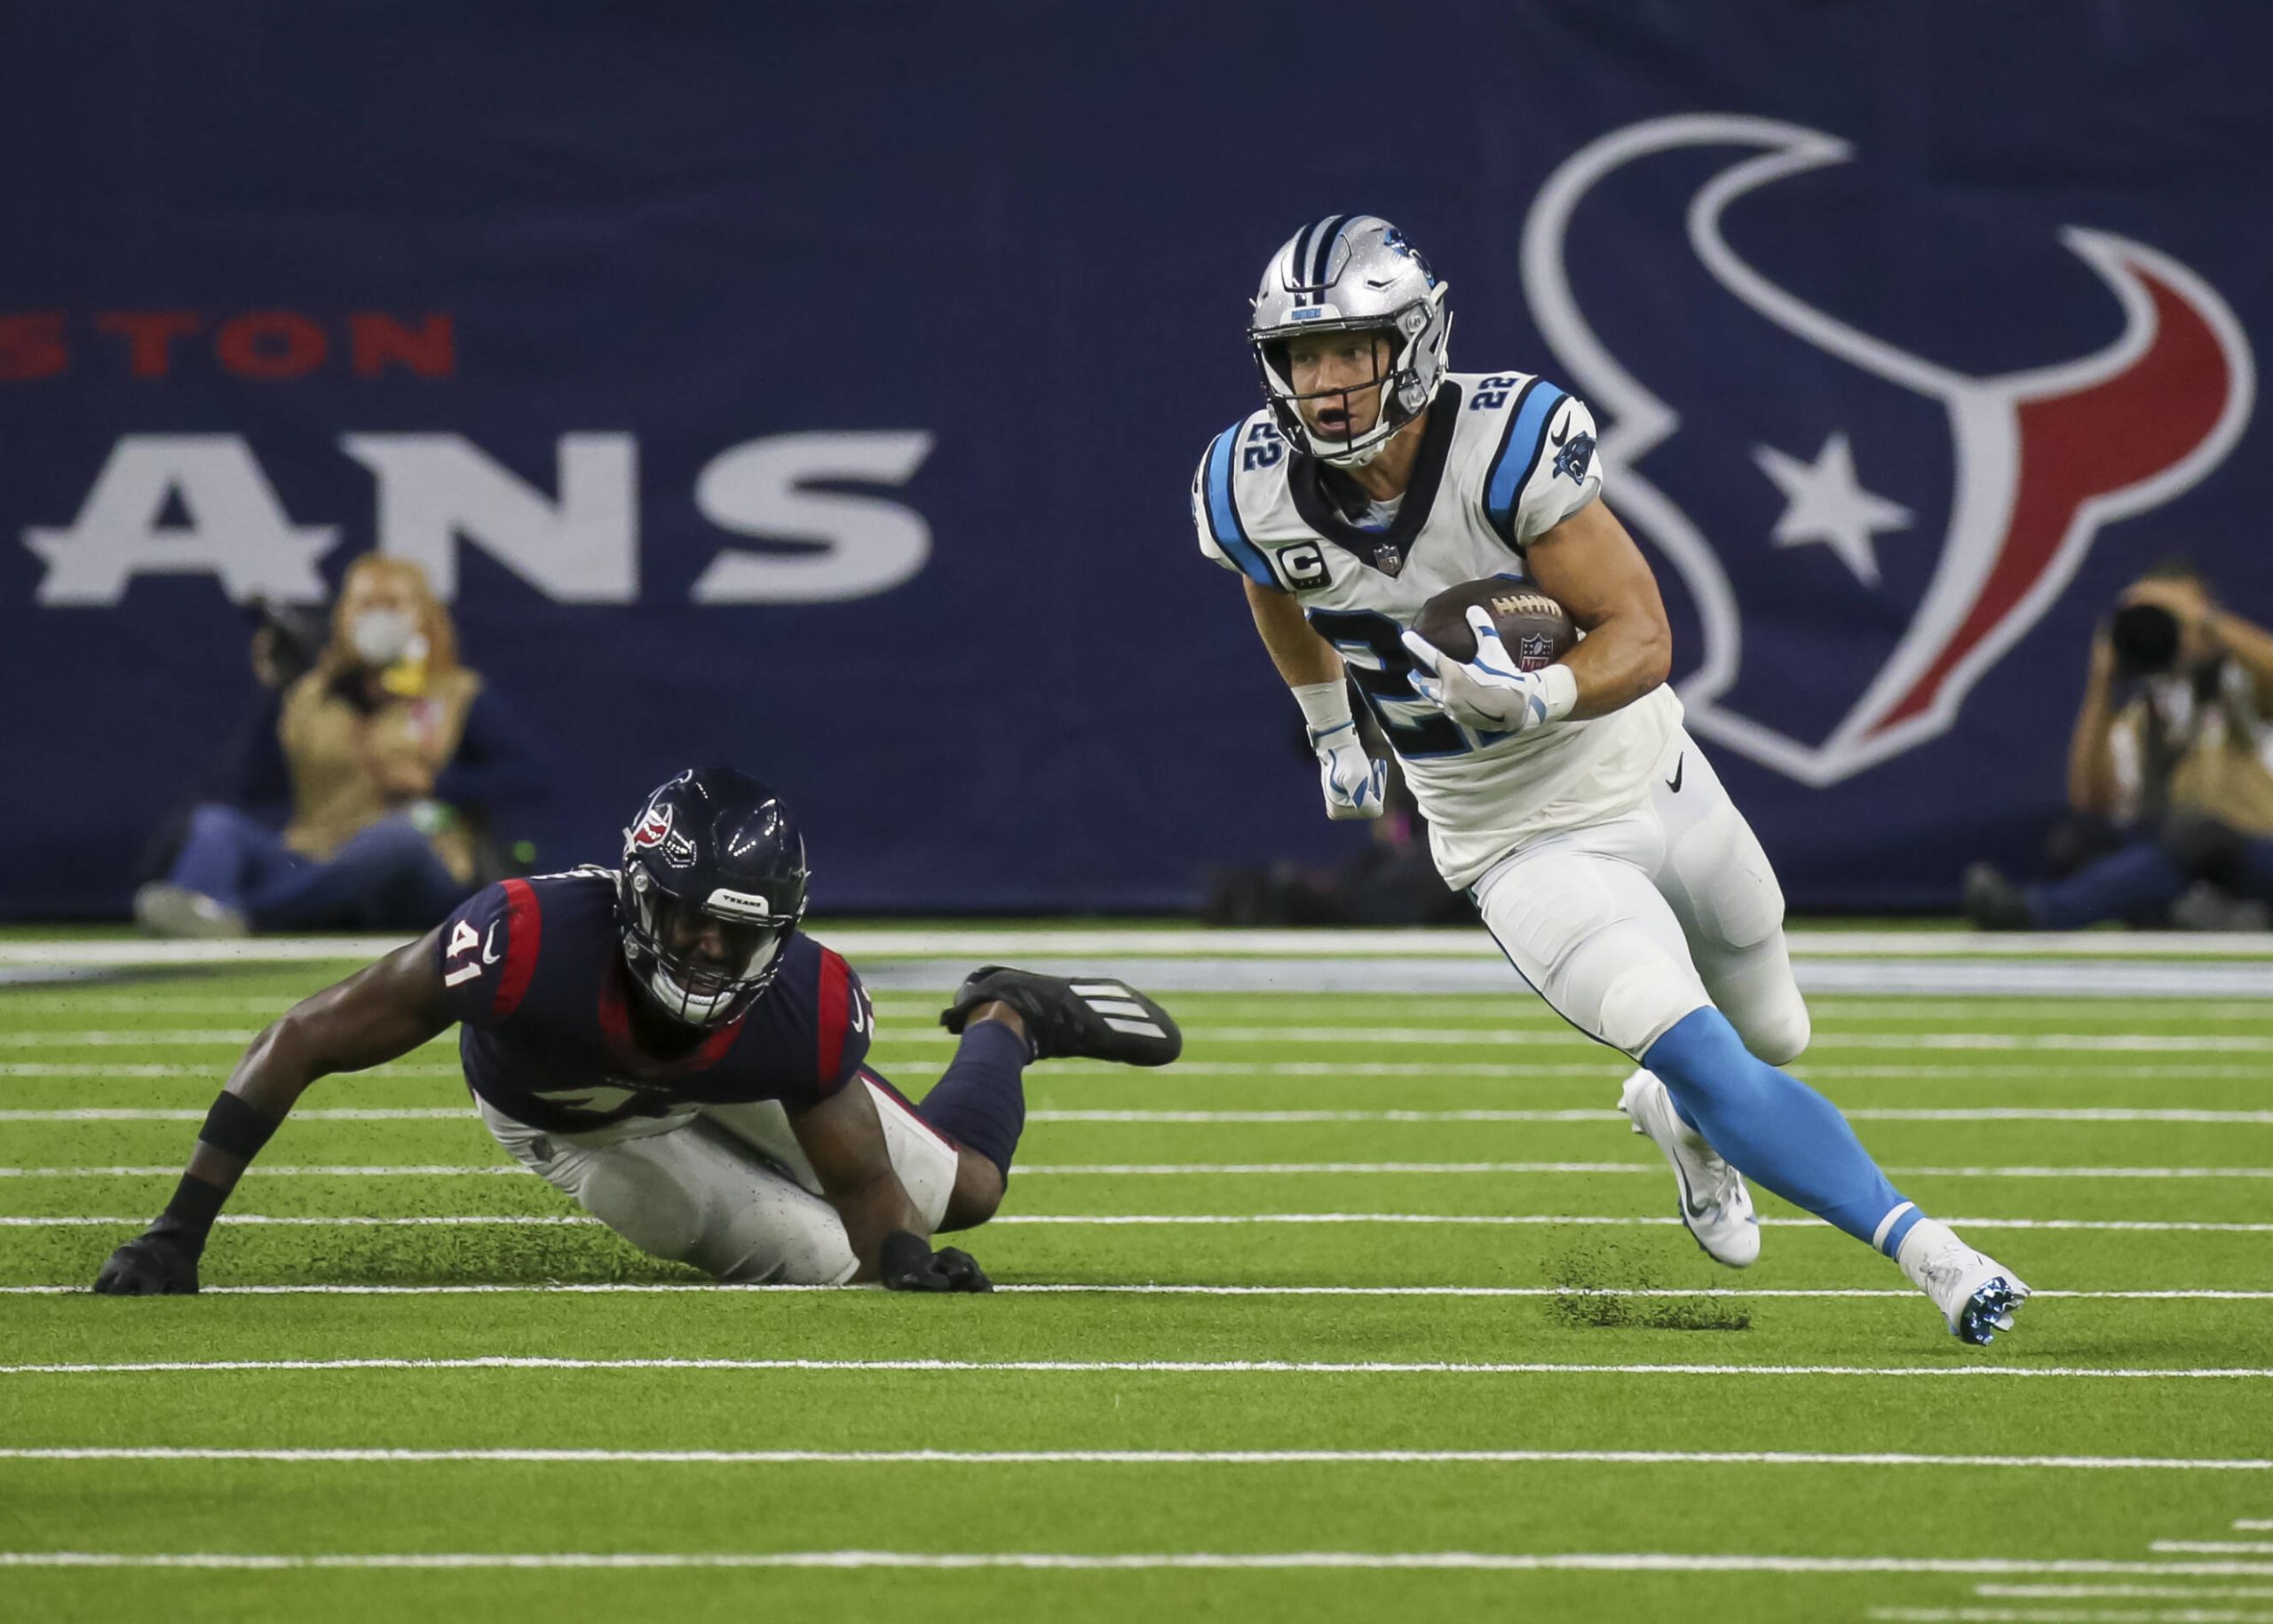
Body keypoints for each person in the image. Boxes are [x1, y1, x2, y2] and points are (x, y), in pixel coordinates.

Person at [1192, 214, 2027, 1343]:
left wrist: (1538, 695)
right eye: (1301, 355)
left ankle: (1674, 1116)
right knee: (1703, 1046)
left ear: (1416, 341)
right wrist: (1330, 724)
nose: (1325, 382)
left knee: (1773, 1032)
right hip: (1512, 841)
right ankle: (1932, 1252)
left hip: (1648, 770)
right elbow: (1273, 587)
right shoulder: (1249, 482)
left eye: (1350, 348)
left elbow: (1640, 635)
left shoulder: (1506, 438)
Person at [92, 767, 1182, 1295]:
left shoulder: (797, 999)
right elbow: (305, 1036)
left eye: (735, 931)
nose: (708, 951)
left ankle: (1005, 1014)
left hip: (725, 1069)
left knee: (965, 1197)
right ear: (634, 897)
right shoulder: (521, 943)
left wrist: (906, 1257)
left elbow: (864, 1186)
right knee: (811, 1266)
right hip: (579, 1123)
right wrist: (180, 1229)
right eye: (687, 920)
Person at [132, 553, 548, 938]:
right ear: (343, 615)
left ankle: (244, 918)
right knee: (216, 826)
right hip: (315, 854)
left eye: (394, 604)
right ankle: (199, 907)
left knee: (393, 841)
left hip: (421, 862)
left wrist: (437, 785)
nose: (378, 617)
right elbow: (253, 787)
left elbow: (525, 776)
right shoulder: (310, 695)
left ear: (424, 616)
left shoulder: (455, 692)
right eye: (365, 604)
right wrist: (274, 691)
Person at [1964, 561, 2273, 931]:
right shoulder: (2138, 718)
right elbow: (2092, 801)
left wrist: (2201, 616)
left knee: (2198, 829)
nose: (2175, 629)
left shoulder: (2246, 689)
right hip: (2177, 861)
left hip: (2254, 855)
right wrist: (2102, 684)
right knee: (2078, 843)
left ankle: (2038, 914)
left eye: (2177, 618)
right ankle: (2204, 918)